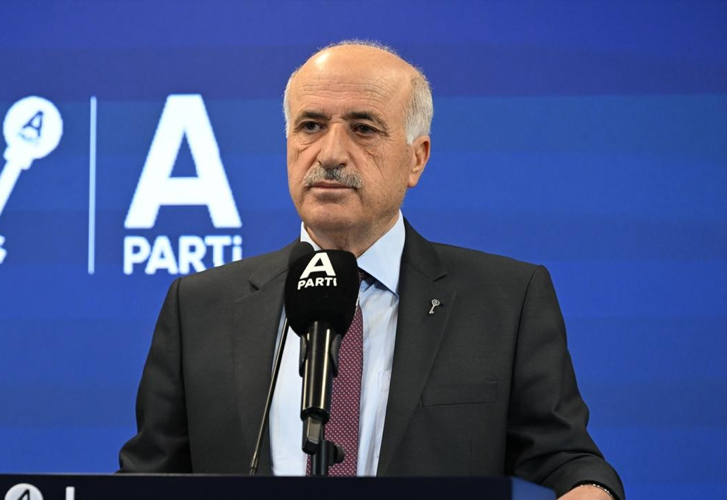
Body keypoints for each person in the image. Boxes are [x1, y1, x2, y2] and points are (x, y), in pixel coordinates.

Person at [119, 40, 624, 500]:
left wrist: (587, 490)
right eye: (311, 126)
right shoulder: (199, 306)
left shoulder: (506, 302)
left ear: (416, 159)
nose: (331, 153)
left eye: (363, 128)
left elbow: (564, 461)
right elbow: (146, 479)